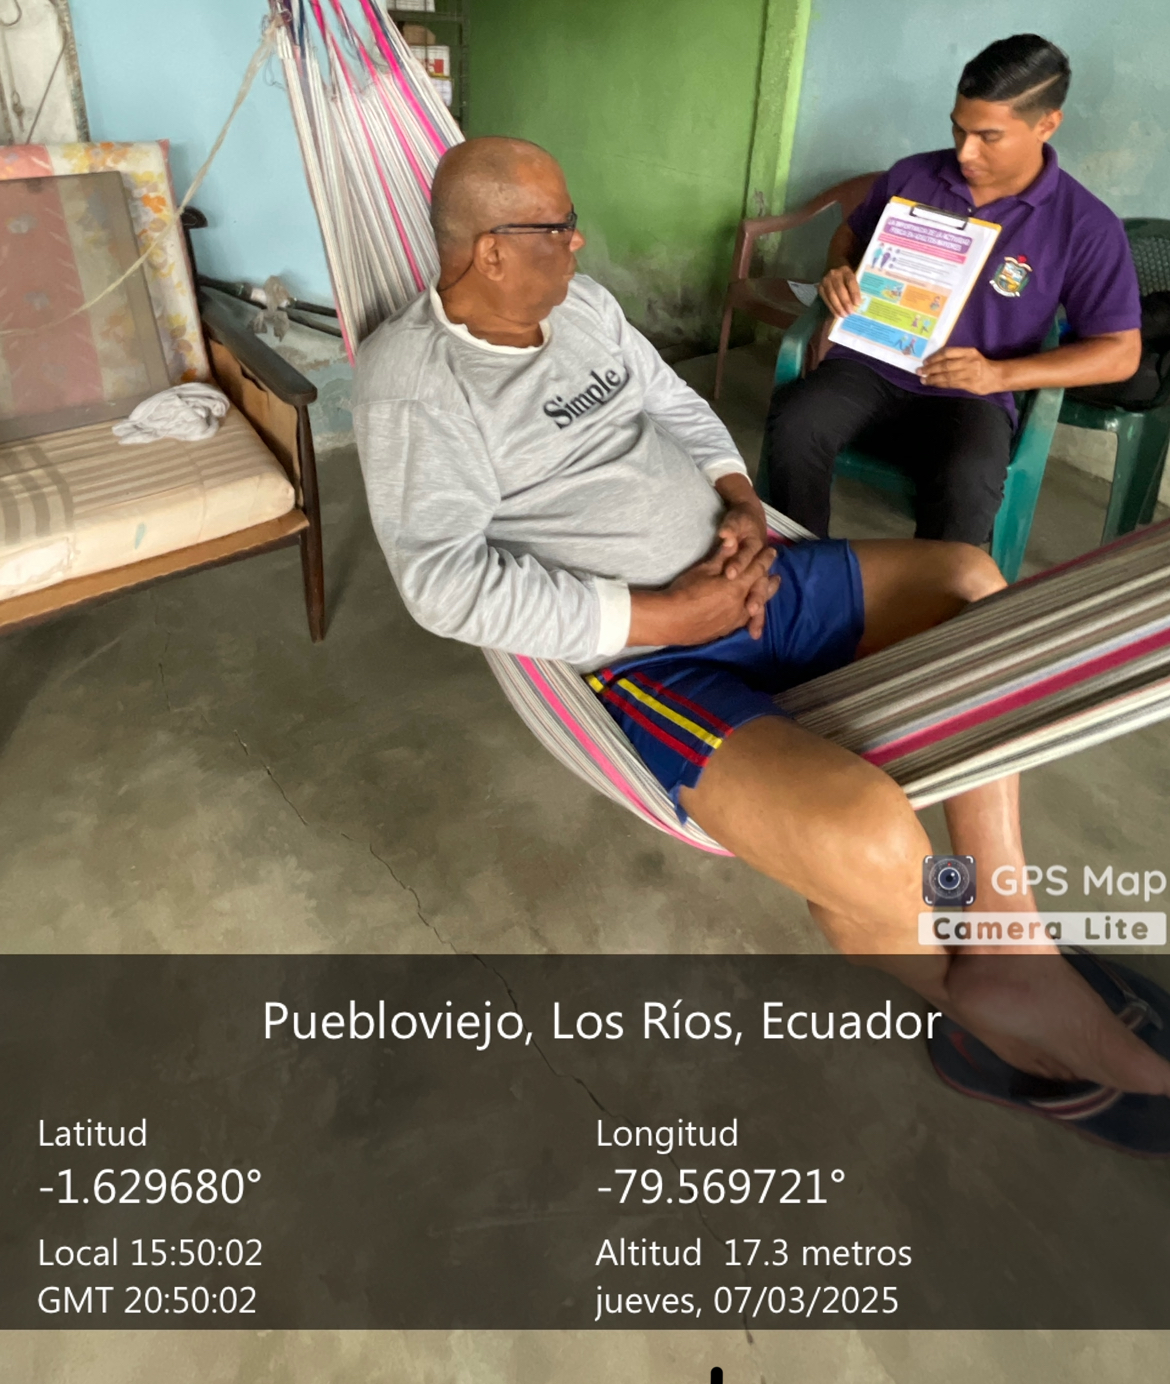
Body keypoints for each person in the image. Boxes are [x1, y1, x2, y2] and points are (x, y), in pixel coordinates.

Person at [353, 133, 1170, 1131]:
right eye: (561, 228)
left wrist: (740, 498)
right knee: (875, 841)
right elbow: (442, 583)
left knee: (969, 581)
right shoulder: (417, 382)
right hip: (653, 660)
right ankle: (964, 995)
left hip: (759, 574)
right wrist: (666, 615)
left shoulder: (583, 307)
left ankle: (1011, 933)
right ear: (490, 250)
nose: (579, 243)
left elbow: (672, 403)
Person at [766, 36, 1142, 544]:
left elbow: (1120, 353)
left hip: (971, 392)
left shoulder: (1085, 225)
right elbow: (850, 236)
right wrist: (838, 271)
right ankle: (801, 572)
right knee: (795, 425)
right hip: (869, 365)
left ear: (1047, 124)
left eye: (988, 136)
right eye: (958, 128)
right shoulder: (914, 175)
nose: (965, 152)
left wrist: (998, 374)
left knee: (969, 481)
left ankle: (936, 590)